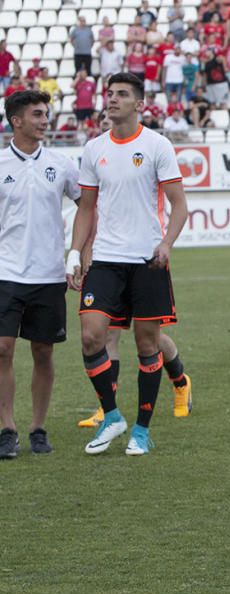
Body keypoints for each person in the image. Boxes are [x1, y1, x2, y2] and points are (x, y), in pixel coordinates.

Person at [65, 73, 189, 457]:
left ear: (139, 103)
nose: (112, 99)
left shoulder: (157, 145)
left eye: (121, 94)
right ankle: (113, 415)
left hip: (146, 260)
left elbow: (179, 205)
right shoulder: (93, 149)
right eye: (110, 94)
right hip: (105, 259)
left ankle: (141, 429)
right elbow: (86, 209)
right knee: (91, 335)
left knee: (146, 343)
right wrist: (74, 253)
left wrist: (166, 243)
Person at [0, 91, 82, 458]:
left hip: (49, 274)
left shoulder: (62, 164)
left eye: (46, 114)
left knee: (43, 352)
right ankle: (7, 429)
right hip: (5, 272)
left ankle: (38, 428)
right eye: (37, 114)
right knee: (2, 349)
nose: (45, 120)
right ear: (16, 121)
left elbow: (88, 207)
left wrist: (80, 254)